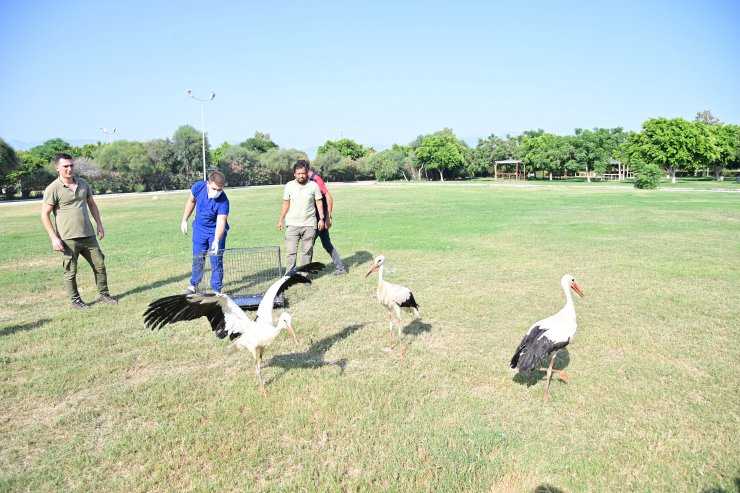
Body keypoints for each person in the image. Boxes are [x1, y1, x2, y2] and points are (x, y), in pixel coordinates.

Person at [41, 153, 117, 310]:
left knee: (100, 265)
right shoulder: (53, 188)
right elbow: (44, 214)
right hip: (68, 238)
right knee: (70, 271)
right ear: (57, 168)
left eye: (71, 165)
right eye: (65, 166)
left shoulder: (83, 183)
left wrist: (99, 224)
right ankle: (76, 301)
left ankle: (104, 294)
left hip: (88, 235)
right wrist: (54, 238)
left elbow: (92, 204)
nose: (69, 169)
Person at [181, 171, 229, 294]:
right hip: (199, 229)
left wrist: (217, 240)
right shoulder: (198, 187)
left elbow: (221, 222)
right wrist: (184, 220)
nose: (217, 192)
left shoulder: (223, 201)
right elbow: (191, 201)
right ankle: (194, 285)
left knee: (216, 260)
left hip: (216, 231)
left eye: (220, 190)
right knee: (198, 258)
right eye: (214, 189)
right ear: (208, 184)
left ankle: (216, 290)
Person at [277, 160, 324, 272]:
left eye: (303, 173)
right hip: (292, 224)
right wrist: (280, 219)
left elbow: (319, 202)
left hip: (309, 224)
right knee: (291, 252)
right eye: (298, 173)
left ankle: (303, 275)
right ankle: (289, 275)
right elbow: (286, 203)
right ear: (294, 174)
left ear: (307, 172)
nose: (301, 176)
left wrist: (321, 218)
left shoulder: (313, 186)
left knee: (307, 252)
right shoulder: (289, 186)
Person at [307, 162, 347, 275]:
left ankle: (304, 274)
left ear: (307, 169)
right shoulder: (311, 180)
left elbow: (329, 197)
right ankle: (340, 268)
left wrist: (328, 217)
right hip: (318, 218)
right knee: (326, 244)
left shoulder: (316, 179)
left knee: (308, 246)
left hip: (320, 220)